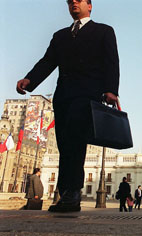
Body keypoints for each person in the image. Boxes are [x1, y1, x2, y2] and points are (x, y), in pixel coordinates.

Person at [16, 0, 120, 213]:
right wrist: (29, 79)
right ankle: (66, 193)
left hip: (87, 94)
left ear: (89, 6)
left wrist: (111, 89)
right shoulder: (60, 36)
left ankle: (73, 191)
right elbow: (47, 62)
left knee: (76, 138)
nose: (73, 2)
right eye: (70, 0)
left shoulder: (103, 31)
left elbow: (111, 62)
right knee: (64, 142)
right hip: (63, 95)